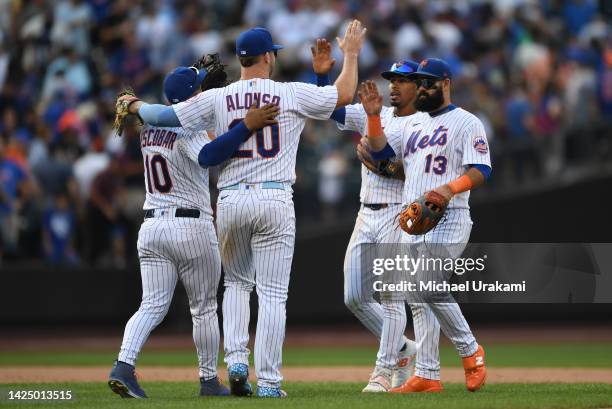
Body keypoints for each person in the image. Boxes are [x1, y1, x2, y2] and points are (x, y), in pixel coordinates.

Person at [118, 22, 367, 397]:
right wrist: (349, 54)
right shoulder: (289, 93)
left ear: (240, 59)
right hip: (274, 197)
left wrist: (134, 104)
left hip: (231, 198)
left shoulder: (218, 98)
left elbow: (162, 117)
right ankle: (268, 382)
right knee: (272, 295)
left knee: (235, 283)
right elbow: (345, 94)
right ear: (268, 56)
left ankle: (235, 362)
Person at [108, 63, 279, 399]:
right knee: (202, 308)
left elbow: (177, 117)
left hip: (153, 224)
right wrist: (243, 125)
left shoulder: (150, 129)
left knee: (152, 305)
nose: (204, 91)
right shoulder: (187, 128)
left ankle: (123, 366)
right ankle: (208, 380)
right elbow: (209, 155)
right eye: (200, 88)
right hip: (190, 226)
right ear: (192, 96)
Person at [362, 58, 490, 393]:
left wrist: (450, 188)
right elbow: (386, 159)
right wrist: (374, 119)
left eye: (428, 83)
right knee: (418, 296)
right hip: (414, 218)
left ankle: (470, 350)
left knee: (428, 282)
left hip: (450, 215)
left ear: (446, 83)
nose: (421, 88)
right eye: (419, 83)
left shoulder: (466, 122)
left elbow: (482, 170)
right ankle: (428, 375)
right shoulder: (415, 124)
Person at [312, 45, 423, 393]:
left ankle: (382, 369)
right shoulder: (377, 112)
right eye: (391, 79)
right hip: (365, 212)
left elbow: (396, 164)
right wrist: (322, 76)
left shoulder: (421, 123)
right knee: (354, 296)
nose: (393, 85)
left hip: (396, 213)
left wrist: (382, 161)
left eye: (402, 80)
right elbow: (331, 110)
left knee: (391, 296)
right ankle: (404, 349)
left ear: (418, 87)